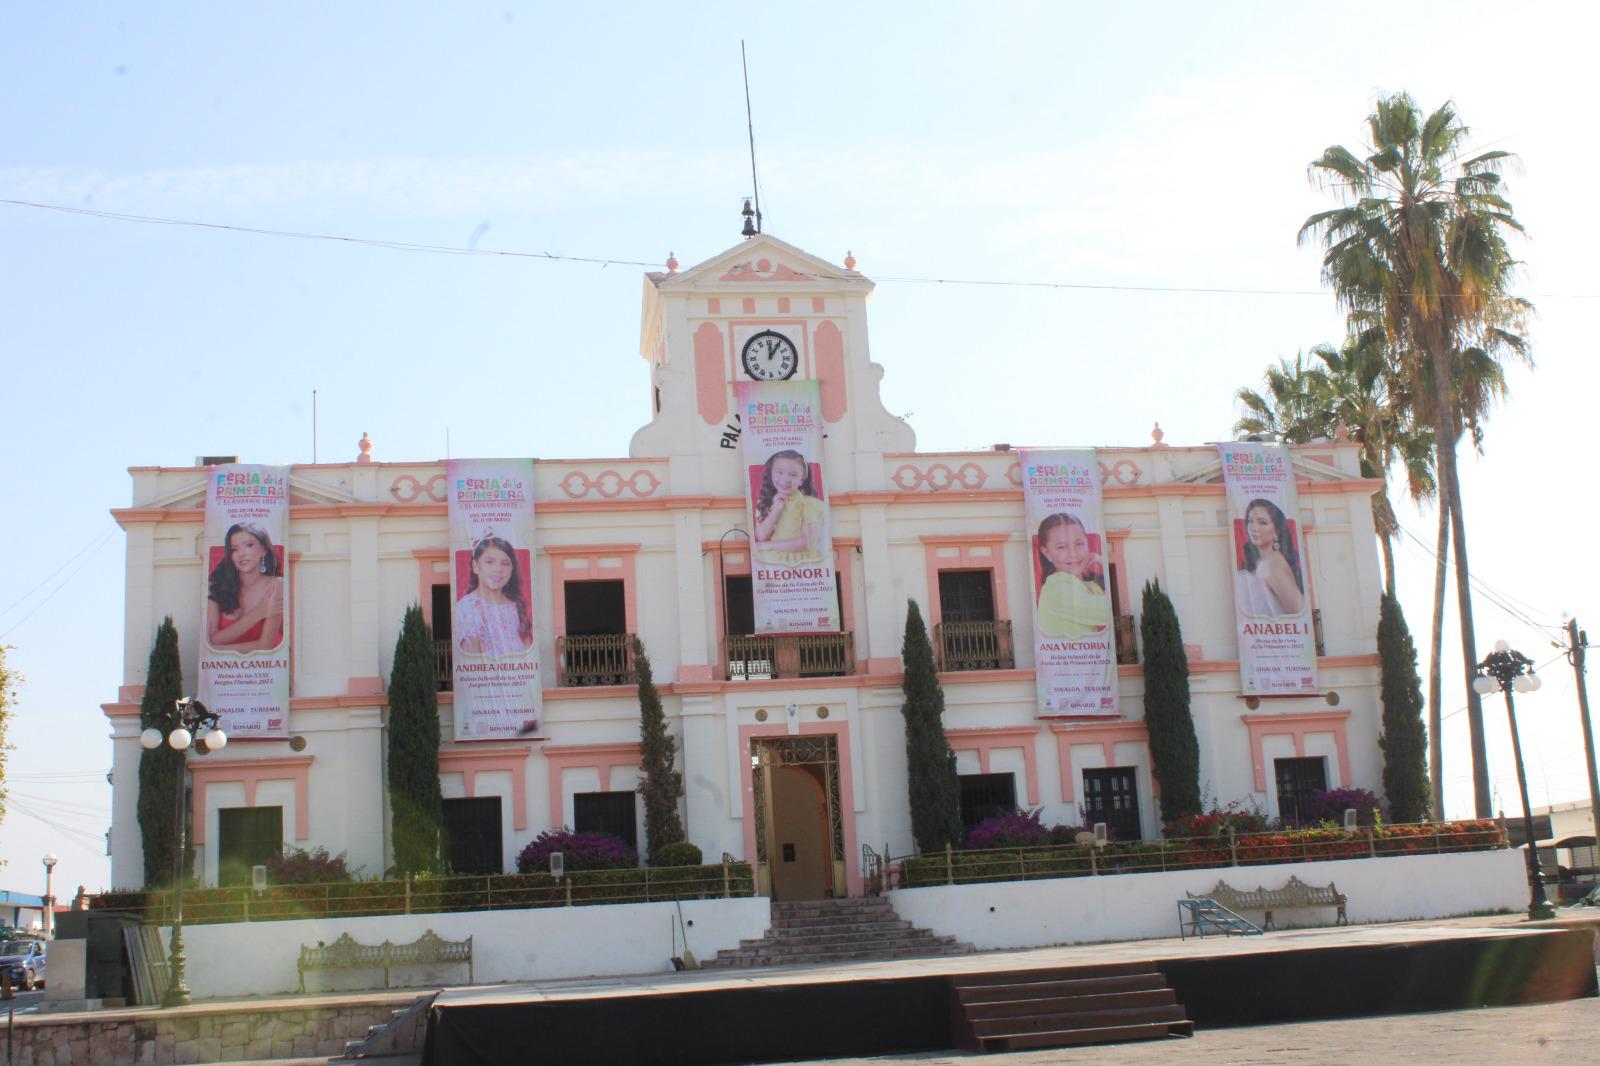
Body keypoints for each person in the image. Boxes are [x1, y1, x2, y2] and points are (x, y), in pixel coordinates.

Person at [206, 522, 285, 652]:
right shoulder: (218, 585)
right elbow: (212, 639)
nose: (241, 554)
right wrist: (259, 612)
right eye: (234, 549)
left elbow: (265, 646)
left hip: (267, 668)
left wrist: (217, 648)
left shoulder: (277, 585)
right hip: (224, 669)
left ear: (264, 549)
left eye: (248, 545)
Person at [456, 535, 534, 656]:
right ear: (475, 566)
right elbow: (473, 658)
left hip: (519, 673)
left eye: (505, 563)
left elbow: (528, 649)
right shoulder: (468, 608)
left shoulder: (514, 604)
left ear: (512, 569)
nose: (498, 569)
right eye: (490, 562)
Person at [1034, 512, 1110, 638]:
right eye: (1062, 547)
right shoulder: (1055, 589)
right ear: (1047, 553)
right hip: (1064, 658)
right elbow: (1107, 612)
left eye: (1079, 544)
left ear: (1087, 544)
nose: (1073, 554)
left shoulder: (1090, 585)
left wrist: (1101, 561)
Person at [752, 449, 826, 565]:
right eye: (780, 472)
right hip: (774, 558)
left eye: (793, 475)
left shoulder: (809, 505)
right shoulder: (766, 501)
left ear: (802, 479)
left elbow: (804, 542)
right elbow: (761, 535)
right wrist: (776, 509)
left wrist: (767, 546)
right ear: (771, 474)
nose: (786, 479)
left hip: (801, 560)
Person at [1235, 498, 1306, 617]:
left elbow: (1299, 612)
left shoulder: (1273, 565)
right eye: (1250, 521)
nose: (1253, 528)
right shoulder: (1263, 561)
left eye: (1262, 522)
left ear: (1276, 531)